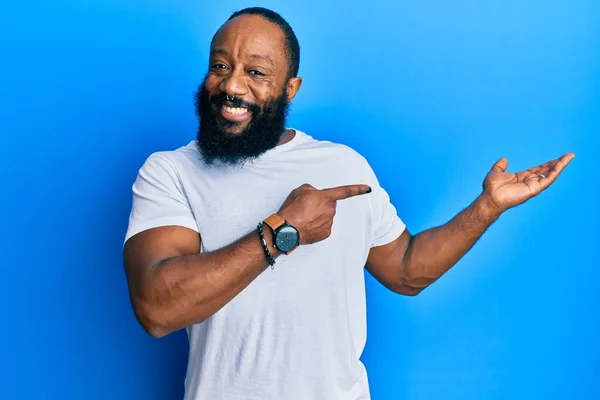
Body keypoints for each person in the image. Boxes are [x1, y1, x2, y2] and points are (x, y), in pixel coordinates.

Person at [122, 6, 574, 400]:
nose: (232, 86)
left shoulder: (343, 165)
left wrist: (486, 208)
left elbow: (406, 269)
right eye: (220, 66)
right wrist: (284, 231)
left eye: (256, 72)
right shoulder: (170, 171)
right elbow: (157, 308)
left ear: (290, 88)